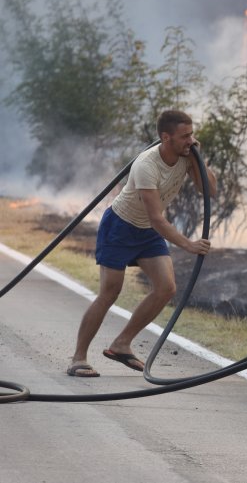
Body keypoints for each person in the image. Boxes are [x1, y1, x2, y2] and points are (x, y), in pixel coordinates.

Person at [67, 110, 217, 377]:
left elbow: (210, 190)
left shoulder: (186, 156)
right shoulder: (146, 165)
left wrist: (198, 160)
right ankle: (78, 358)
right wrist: (189, 245)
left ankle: (122, 344)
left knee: (166, 288)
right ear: (165, 137)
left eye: (192, 134)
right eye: (185, 136)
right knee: (110, 292)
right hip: (121, 226)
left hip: (146, 232)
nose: (190, 140)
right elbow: (157, 219)